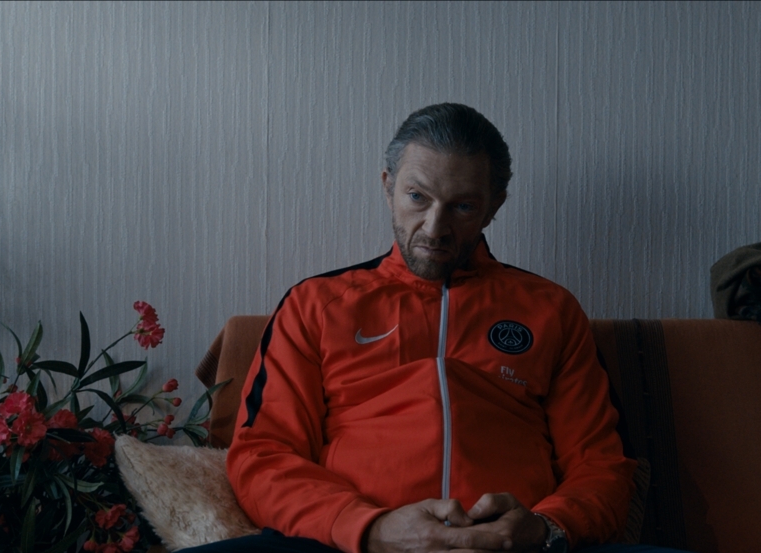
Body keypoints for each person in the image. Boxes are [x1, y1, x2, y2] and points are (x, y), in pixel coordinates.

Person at [184, 104, 690, 553]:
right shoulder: (316, 304)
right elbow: (263, 454)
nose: (434, 228)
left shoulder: (550, 309)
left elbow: (602, 464)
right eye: (417, 197)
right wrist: (370, 528)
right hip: (350, 544)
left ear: (495, 205)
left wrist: (544, 529)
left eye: (463, 206)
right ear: (388, 187)